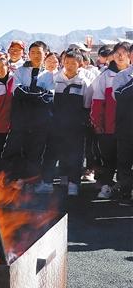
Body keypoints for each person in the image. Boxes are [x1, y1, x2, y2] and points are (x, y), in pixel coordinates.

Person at [1, 41, 55, 192]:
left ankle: (31, 182)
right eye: (33, 52)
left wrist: (29, 94)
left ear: (46, 54)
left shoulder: (49, 75)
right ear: (28, 54)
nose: (36, 55)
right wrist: (38, 92)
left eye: (39, 52)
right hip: (21, 120)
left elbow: (49, 97)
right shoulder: (20, 71)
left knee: (35, 153)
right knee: (14, 149)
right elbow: (17, 92)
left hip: (40, 121)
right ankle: (11, 180)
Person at [46, 51, 92, 196]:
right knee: (56, 152)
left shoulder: (84, 83)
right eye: (67, 62)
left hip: (76, 125)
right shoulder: (55, 79)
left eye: (73, 63)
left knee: (75, 154)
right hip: (56, 124)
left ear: (80, 64)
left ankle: (74, 183)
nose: (69, 66)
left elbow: (87, 105)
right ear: (62, 63)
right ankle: (60, 179)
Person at [91, 42, 129, 199]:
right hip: (109, 126)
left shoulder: (130, 74)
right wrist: (97, 123)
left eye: (124, 52)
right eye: (117, 53)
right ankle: (106, 186)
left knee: (126, 160)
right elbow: (97, 101)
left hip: (128, 126)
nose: (120, 56)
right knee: (109, 159)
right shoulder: (105, 76)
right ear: (112, 55)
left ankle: (124, 189)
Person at [111, 43, 133, 205]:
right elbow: (118, 95)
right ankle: (125, 194)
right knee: (125, 162)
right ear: (130, 56)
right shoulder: (122, 76)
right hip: (126, 126)